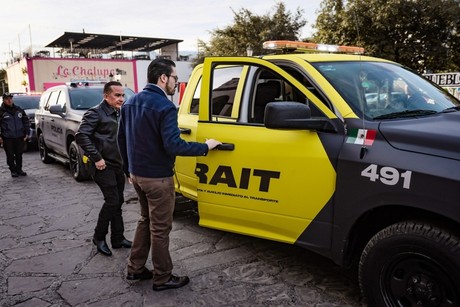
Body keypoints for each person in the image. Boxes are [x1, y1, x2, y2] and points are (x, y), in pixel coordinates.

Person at [117, 58, 221, 291]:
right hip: (158, 180)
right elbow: (174, 146)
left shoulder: (130, 103)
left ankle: (135, 269)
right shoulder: (165, 107)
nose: (176, 82)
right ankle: (163, 277)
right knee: (160, 230)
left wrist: (129, 171)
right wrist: (206, 147)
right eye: (175, 77)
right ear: (163, 78)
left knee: (145, 221)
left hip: (138, 177)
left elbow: (121, 140)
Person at [75, 81, 132, 257]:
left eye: (123, 95)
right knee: (112, 201)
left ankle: (118, 238)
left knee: (119, 200)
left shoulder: (119, 113)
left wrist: (128, 169)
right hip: (102, 165)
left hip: (117, 165)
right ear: (106, 96)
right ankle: (98, 237)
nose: (121, 98)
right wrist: (97, 157)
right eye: (117, 95)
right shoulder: (95, 113)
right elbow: (81, 136)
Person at [0, 93, 30, 177]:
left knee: (19, 154)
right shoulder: (1, 112)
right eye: (7, 99)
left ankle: (19, 169)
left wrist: (27, 133)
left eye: (10, 98)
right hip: (7, 137)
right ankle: (13, 170)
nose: (9, 100)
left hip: (19, 136)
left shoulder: (18, 109)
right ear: (4, 100)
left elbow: (25, 121)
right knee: (10, 155)